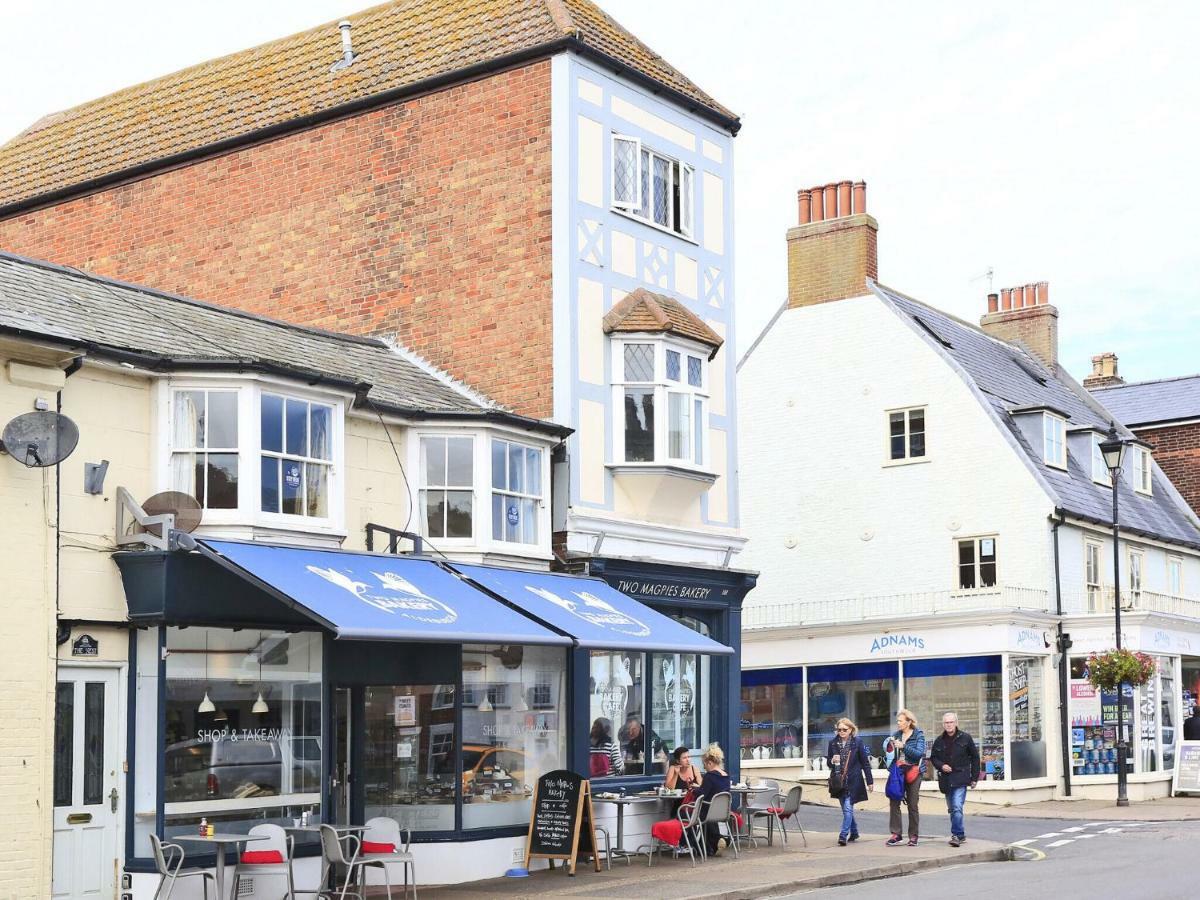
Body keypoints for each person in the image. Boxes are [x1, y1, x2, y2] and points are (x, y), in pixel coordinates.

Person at [929, 712, 980, 847]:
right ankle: (961, 834)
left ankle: (956, 835)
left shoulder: (966, 738)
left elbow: (975, 758)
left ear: (956, 723)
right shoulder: (939, 740)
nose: (949, 725)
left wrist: (974, 778)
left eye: (951, 722)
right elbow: (933, 758)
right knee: (952, 809)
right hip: (946, 780)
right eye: (946, 722)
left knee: (957, 807)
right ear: (943, 724)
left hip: (961, 778)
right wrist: (941, 766)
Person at [827, 717, 875, 846]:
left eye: (844, 729)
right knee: (846, 810)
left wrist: (870, 781)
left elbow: (865, 763)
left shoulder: (857, 742)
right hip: (839, 781)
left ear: (851, 730)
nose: (841, 732)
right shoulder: (833, 743)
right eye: (839, 729)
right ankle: (854, 832)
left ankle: (843, 835)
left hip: (853, 780)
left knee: (848, 809)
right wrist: (832, 761)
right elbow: (828, 763)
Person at [885, 708, 925, 847]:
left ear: (908, 722)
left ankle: (913, 836)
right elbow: (890, 755)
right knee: (894, 800)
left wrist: (903, 746)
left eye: (900, 721)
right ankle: (896, 834)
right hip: (898, 772)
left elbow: (919, 753)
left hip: (914, 771)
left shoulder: (918, 735)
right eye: (897, 721)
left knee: (912, 804)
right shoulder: (896, 735)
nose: (898, 723)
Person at [688, 743, 733, 856]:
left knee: (686, 815)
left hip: (707, 811)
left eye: (704, 764)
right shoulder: (726, 776)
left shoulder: (710, 776)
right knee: (708, 820)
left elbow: (702, 793)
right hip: (721, 812)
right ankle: (716, 843)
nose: (704, 767)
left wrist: (693, 790)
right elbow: (714, 791)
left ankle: (696, 845)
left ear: (710, 762)